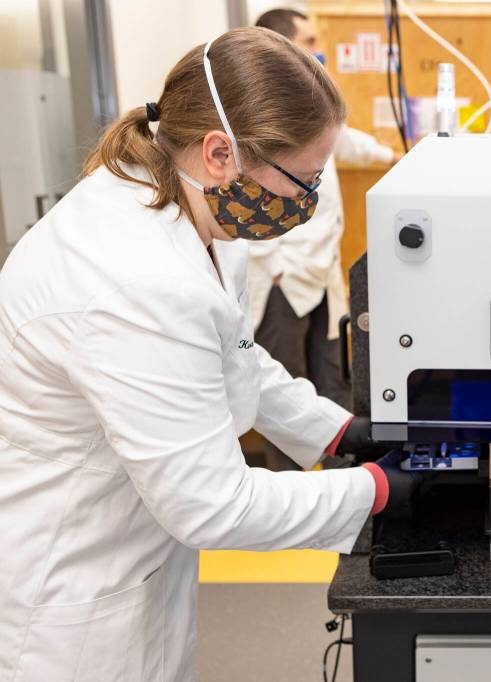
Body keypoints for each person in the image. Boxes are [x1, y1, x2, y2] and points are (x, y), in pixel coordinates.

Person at [0, 28, 417, 680]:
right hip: (71, 600)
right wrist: (377, 489)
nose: (307, 202)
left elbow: (233, 354)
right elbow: (212, 504)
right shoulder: (130, 277)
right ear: (221, 152)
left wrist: (340, 431)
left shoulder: (191, 209)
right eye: (304, 180)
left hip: (137, 560)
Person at [249, 8, 397, 471]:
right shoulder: (258, 114)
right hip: (282, 276)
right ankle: (289, 491)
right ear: (285, 48)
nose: (320, 49)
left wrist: (402, 155)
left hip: (321, 272)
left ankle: (341, 486)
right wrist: (272, 267)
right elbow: (242, 197)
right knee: (282, 392)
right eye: (310, 40)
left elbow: (343, 141)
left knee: (332, 380)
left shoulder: (309, 107)